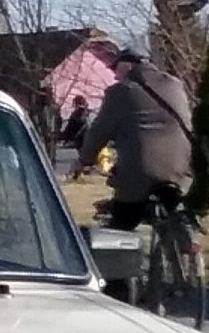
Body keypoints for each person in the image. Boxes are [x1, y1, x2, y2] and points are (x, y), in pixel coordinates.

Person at [77, 47, 193, 231]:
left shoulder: (121, 91)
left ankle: (119, 257)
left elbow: (99, 131)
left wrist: (84, 160)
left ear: (127, 65)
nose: (115, 76)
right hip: (181, 170)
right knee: (175, 211)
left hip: (140, 175)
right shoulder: (174, 84)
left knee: (121, 225)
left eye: (115, 70)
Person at [59, 96, 92, 180]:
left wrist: (64, 137)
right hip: (83, 138)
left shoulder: (78, 113)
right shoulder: (83, 113)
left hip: (78, 139)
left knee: (79, 157)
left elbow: (72, 126)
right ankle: (78, 174)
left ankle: (76, 174)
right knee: (82, 156)